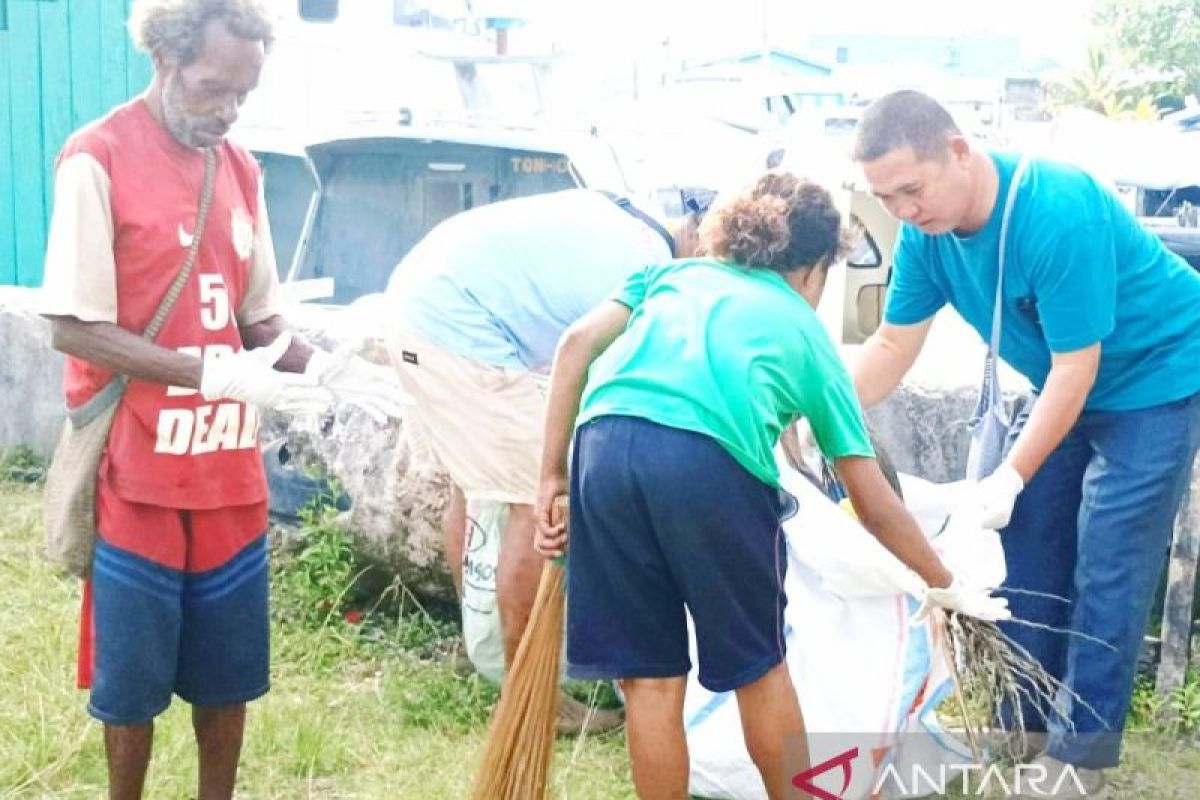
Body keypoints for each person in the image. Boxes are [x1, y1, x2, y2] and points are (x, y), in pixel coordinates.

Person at [533, 171, 1009, 800]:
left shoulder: (671, 275)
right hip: (705, 464)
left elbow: (574, 346)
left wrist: (551, 478)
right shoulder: (805, 332)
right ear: (815, 268)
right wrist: (946, 587)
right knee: (760, 669)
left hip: (603, 446)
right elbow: (875, 504)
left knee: (650, 681)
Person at [38, 2, 402, 798]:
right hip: (139, 474)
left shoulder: (240, 170)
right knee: (130, 682)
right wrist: (206, 374)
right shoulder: (96, 158)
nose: (228, 110)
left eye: (244, 93)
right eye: (212, 89)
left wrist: (329, 366)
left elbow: (256, 316)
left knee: (228, 675)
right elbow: (70, 325)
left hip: (230, 477)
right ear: (166, 58)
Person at [850, 89, 1200, 795]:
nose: (905, 212)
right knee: (1023, 548)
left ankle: (1082, 756)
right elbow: (891, 343)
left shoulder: (1054, 208)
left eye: (912, 190)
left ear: (958, 150)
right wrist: (822, 408)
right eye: (886, 199)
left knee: (1109, 560)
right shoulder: (925, 236)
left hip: (1159, 377)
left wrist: (1006, 476)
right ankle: (1024, 721)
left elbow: (1078, 368)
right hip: (1069, 383)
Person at [382, 187, 712, 730]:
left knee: (474, 485)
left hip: (417, 306)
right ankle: (531, 696)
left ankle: (485, 649)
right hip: (458, 328)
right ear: (696, 228)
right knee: (537, 503)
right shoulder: (652, 268)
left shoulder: (616, 213)